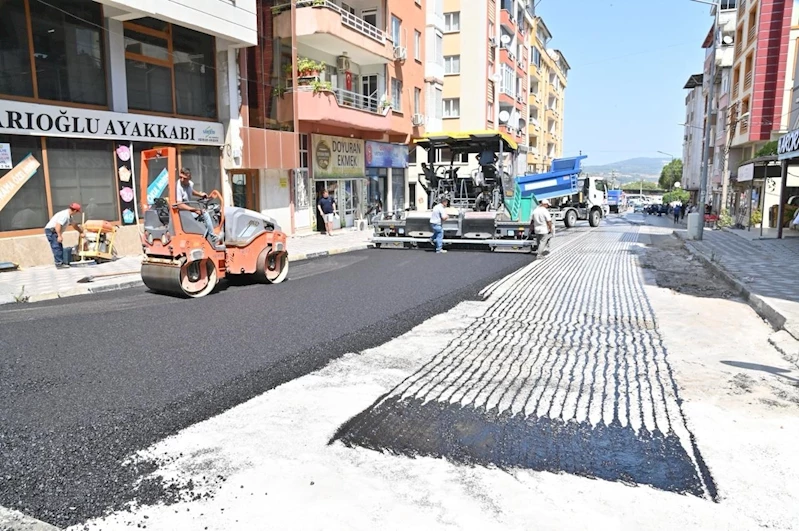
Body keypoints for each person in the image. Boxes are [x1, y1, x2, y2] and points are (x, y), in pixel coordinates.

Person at [175, 167, 222, 247]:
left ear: (189, 178)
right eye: (180, 177)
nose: (182, 179)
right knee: (205, 213)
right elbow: (179, 204)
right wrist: (195, 210)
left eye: (184, 178)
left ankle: (205, 237)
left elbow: (191, 191)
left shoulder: (190, 184)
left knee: (206, 212)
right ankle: (213, 237)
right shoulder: (178, 186)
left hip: (188, 210)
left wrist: (200, 194)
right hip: (182, 212)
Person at [44, 202, 83, 269]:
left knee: (59, 247)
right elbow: (58, 225)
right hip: (52, 231)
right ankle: (59, 264)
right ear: (75, 211)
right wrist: (59, 236)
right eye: (77, 212)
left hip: (54, 231)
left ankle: (61, 262)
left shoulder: (69, 216)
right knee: (56, 247)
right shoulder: (64, 215)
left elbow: (74, 225)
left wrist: (81, 232)